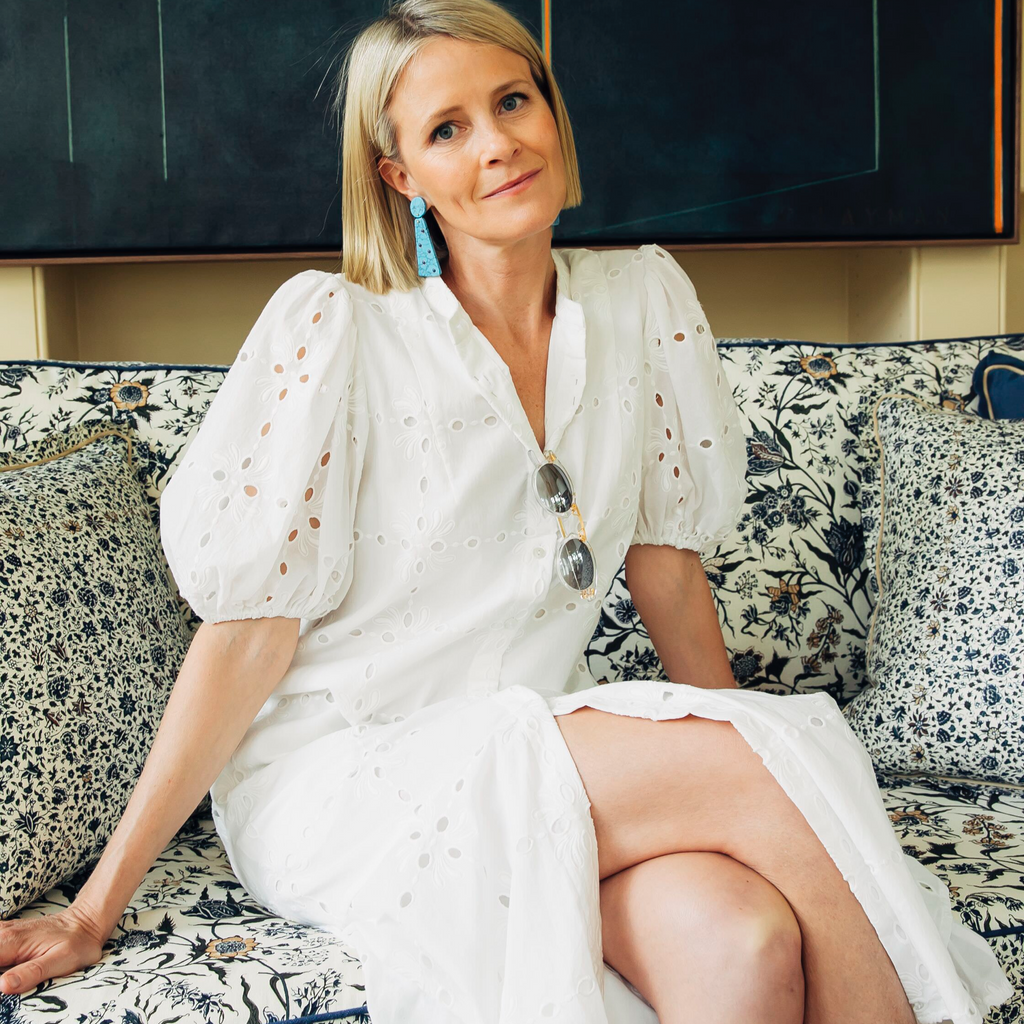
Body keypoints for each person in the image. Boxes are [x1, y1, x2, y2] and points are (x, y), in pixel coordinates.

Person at [0, 1, 1014, 1021]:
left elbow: (666, 570)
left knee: (739, 936)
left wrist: (728, 788)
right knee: (761, 753)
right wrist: (94, 908)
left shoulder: (641, 306)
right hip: (344, 772)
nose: (497, 143)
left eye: (513, 100)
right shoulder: (338, 332)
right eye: (447, 129)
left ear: (552, 110)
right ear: (401, 177)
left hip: (536, 739)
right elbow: (245, 639)